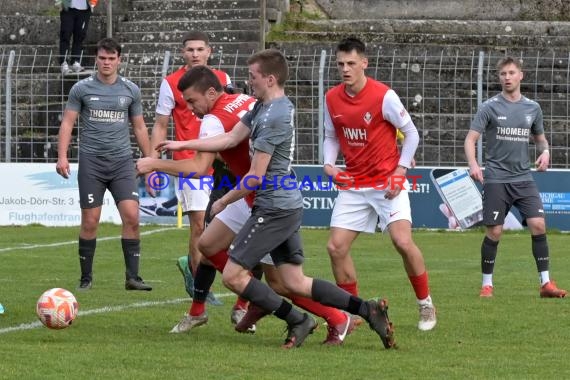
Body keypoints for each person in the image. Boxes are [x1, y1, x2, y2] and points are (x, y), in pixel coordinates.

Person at [145, 49, 396, 349]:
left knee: (234, 275)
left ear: (270, 78)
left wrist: (223, 201)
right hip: (279, 202)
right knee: (292, 281)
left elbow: (255, 176)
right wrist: (181, 142)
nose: (247, 83)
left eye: (253, 77)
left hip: (272, 204)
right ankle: (367, 310)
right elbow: (230, 140)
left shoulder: (274, 116)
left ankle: (295, 318)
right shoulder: (261, 106)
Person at [322, 37, 437, 331]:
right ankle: (354, 312)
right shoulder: (331, 97)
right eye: (340, 64)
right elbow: (331, 136)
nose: (345, 69)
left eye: (351, 63)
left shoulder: (384, 96)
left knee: (402, 241)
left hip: (387, 184)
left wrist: (400, 171)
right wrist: (329, 165)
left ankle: (425, 304)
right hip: (353, 184)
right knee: (336, 247)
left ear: (364, 63)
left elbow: (411, 134)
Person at [464, 56, 567, 299]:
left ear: (521, 75)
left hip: (523, 178)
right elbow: (470, 139)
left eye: (511, 73)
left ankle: (546, 284)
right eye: (503, 74)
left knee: (538, 224)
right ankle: (487, 284)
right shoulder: (489, 106)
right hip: (496, 178)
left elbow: (540, 139)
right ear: (499, 77)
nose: (507, 78)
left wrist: (545, 153)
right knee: (495, 232)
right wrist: (473, 164)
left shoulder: (533, 108)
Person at [56, 37, 152, 291]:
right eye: (102, 58)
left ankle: (133, 278)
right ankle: (86, 278)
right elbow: (68, 123)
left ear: (119, 60)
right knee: (90, 220)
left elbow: (140, 127)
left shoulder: (131, 90)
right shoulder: (81, 88)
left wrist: (150, 160)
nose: (106, 63)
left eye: (111, 58)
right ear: (96, 59)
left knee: (132, 216)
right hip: (92, 163)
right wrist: (62, 156)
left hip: (122, 163)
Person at [145, 31, 231, 304]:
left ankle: (194, 268)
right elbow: (160, 125)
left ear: (210, 51)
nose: (195, 54)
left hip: (221, 164)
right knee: (199, 225)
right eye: (190, 49)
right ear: (183, 53)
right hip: (190, 164)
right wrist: (152, 164)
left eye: (200, 49)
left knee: (223, 226)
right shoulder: (170, 84)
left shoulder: (224, 80)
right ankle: (199, 287)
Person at [57, 0, 97, 75]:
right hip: (68, 8)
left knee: (80, 36)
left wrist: (93, 3)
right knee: (65, 34)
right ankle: (63, 62)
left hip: (85, 9)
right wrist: (59, 3)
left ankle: (75, 61)